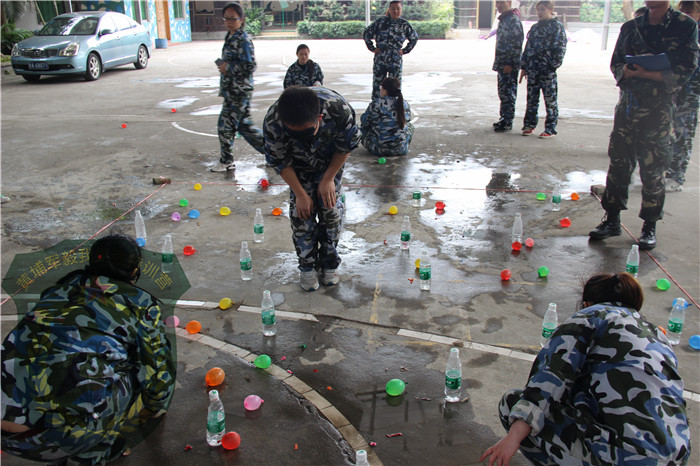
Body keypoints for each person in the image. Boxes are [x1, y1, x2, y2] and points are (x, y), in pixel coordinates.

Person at [481, 272, 690, 466]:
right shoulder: (658, 336)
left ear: (587, 302)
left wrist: (514, 436)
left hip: (625, 457)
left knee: (512, 404)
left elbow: (552, 375)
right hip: (675, 455)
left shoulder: (589, 317)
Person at [1, 234, 175, 464]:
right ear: (134, 272)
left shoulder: (56, 292)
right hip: (60, 437)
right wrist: (155, 407)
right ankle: (91, 452)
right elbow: (158, 374)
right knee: (133, 365)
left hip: (6, 431)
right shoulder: (140, 306)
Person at [588, 1, 698, 250]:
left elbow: (687, 69)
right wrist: (626, 71)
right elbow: (616, 62)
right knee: (618, 164)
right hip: (628, 107)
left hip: (658, 110)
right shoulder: (632, 26)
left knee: (653, 169)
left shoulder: (684, 26)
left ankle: (649, 225)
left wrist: (646, 74)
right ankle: (612, 219)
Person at [263, 86, 360, 291]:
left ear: (320, 117)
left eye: (307, 132)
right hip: (297, 166)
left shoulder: (338, 110)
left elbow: (346, 146)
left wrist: (328, 179)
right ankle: (307, 267)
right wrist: (300, 193)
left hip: (330, 161)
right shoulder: (274, 121)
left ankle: (329, 263)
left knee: (331, 211)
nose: (302, 138)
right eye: (294, 134)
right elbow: (279, 160)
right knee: (302, 214)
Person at [212, 2, 265, 172]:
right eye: (226, 18)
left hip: (239, 91)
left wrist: (228, 67)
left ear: (241, 19)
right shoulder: (231, 36)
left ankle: (227, 160)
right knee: (244, 126)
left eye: (232, 19)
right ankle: (274, 154)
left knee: (226, 125)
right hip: (232, 90)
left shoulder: (243, 40)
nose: (228, 22)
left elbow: (250, 66)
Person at [519, 1, 567, 139]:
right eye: (538, 10)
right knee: (532, 99)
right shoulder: (535, 28)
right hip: (533, 70)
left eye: (542, 9)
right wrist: (524, 67)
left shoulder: (557, 27)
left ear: (550, 10)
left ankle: (550, 128)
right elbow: (528, 48)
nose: (540, 12)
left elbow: (560, 49)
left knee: (550, 100)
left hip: (547, 71)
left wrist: (551, 66)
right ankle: (529, 124)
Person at [666, 0, 700, 191]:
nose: (686, 15)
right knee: (665, 132)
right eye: (683, 11)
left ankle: (676, 176)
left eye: (690, 11)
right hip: (670, 89)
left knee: (683, 133)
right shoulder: (677, 32)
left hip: (690, 92)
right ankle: (663, 169)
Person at [363, 0, 418, 100]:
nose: (395, 11)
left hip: (395, 60)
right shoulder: (380, 22)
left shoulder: (404, 24)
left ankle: (394, 108)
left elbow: (414, 38)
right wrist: (372, 48)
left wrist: (405, 50)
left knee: (395, 86)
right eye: (393, 9)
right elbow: (367, 33)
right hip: (381, 59)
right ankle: (377, 107)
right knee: (378, 85)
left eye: (398, 9)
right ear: (389, 9)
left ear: (401, 10)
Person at [360, 76, 414, 156]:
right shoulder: (404, 104)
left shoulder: (376, 104)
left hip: (377, 150)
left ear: (385, 91)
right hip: (401, 149)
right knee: (410, 126)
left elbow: (364, 121)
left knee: (362, 129)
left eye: (381, 87)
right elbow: (407, 120)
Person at [492, 0, 523, 133]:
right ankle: (503, 118)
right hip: (502, 63)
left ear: (509, 3)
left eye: (502, 2)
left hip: (508, 64)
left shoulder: (513, 21)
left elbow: (516, 44)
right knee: (503, 92)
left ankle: (508, 121)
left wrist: (509, 63)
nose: (499, 5)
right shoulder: (504, 20)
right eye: (497, 3)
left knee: (508, 93)